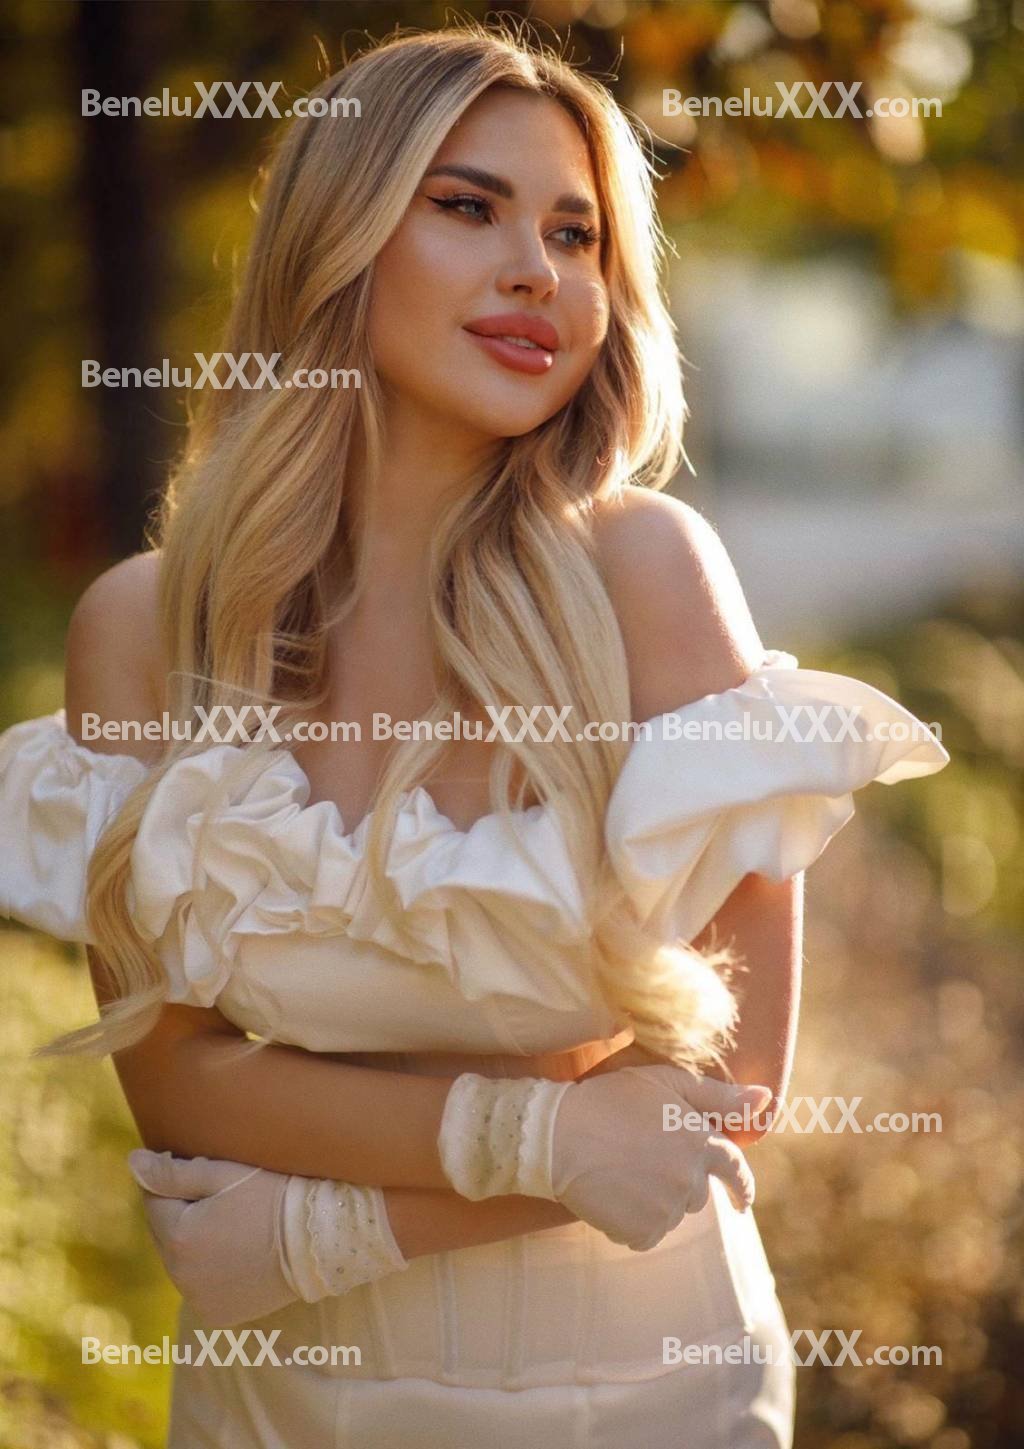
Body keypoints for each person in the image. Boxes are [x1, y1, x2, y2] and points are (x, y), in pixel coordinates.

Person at [0, 24, 949, 1447]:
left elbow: (726, 1088)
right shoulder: (146, 629)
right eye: (468, 207)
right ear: (337, 237)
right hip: (272, 1394)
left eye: (577, 235)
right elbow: (176, 1078)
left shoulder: (648, 575)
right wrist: (553, 1138)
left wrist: (343, 1231)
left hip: (645, 1384)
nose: (538, 273)